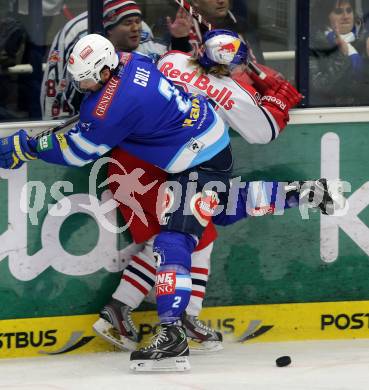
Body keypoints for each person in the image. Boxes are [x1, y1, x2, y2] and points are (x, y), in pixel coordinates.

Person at [0, 32, 302, 371]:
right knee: (213, 215)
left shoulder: (111, 105)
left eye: (85, 79)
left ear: (103, 71)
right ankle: (299, 194)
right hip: (198, 146)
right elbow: (101, 116)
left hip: (198, 159)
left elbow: (79, 149)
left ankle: (172, 329)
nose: (81, 85)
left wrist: (26, 147)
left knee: (178, 237)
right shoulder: (132, 61)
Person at [40, 0, 168, 119]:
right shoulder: (76, 33)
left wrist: (180, 39)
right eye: (128, 23)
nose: (135, 28)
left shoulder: (144, 36)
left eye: (137, 21)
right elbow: (59, 89)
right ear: (110, 30)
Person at [309, 0, 368, 106]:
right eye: (338, 11)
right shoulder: (314, 44)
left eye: (349, 10)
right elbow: (319, 87)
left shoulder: (363, 41)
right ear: (325, 17)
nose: (346, 16)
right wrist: (341, 57)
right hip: (329, 114)